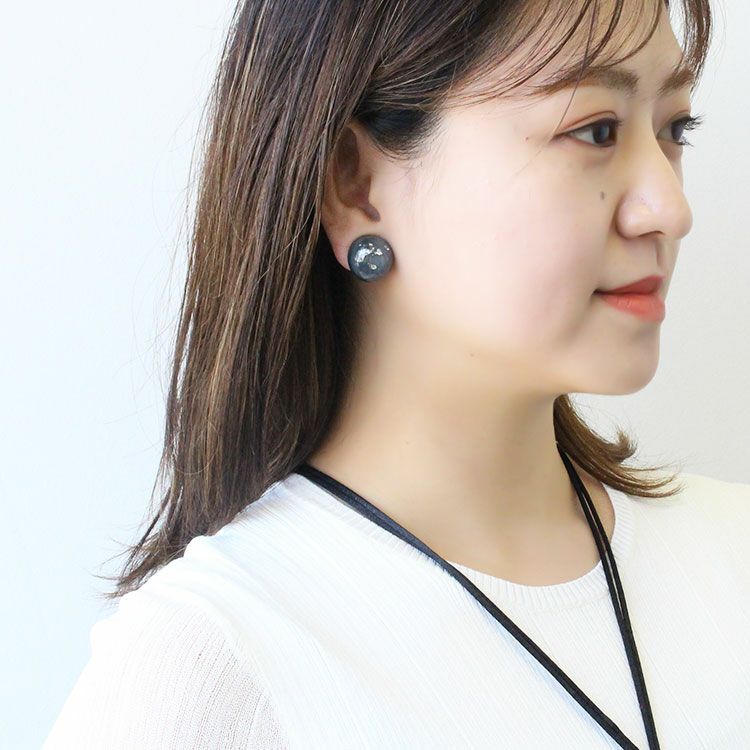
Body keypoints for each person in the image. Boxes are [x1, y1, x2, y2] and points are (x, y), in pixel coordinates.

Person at [44, 0, 750, 748]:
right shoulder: (214, 663)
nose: (670, 209)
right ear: (357, 186)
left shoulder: (730, 551)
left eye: (675, 129)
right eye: (595, 130)